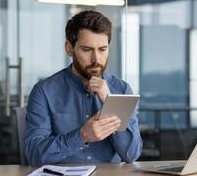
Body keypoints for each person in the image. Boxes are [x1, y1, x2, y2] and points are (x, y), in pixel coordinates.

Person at [24, 10, 143, 166]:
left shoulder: (121, 89)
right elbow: (34, 154)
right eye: (87, 50)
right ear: (69, 48)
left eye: (102, 49)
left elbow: (131, 154)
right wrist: (82, 136)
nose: (96, 59)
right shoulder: (44, 91)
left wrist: (110, 102)